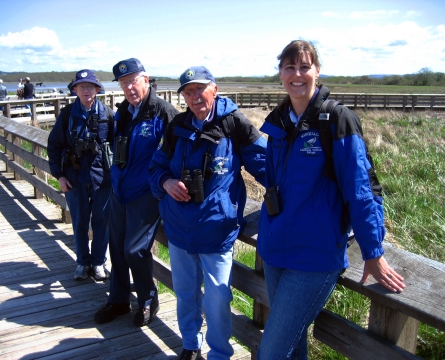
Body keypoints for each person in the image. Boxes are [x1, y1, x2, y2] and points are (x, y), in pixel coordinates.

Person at [256, 40, 406, 360]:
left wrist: (373, 251)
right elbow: (271, 180)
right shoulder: (279, 122)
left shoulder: (336, 120)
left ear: (318, 71)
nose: (297, 74)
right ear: (280, 74)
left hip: (314, 258)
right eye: (289, 67)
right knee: (292, 347)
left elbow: (360, 191)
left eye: (304, 66)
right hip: (274, 251)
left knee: (270, 352)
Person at [149, 66, 267, 360]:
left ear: (215, 89)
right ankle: (190, 344)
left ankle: (218, 354)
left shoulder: (233, 124)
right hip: (179, 229)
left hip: (216, 230)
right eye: (188, 91)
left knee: (217, 299)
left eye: (200, 89)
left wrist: (299, 194)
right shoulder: (177, 126)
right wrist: (166, 181)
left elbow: (269, 167)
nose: (195, 96)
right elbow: (155, 167)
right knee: (186, 293)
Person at [93, 58, 178, 328]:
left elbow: (177, 153)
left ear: (145, 79)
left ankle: (147, 300)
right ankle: (118, 299)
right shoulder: (123, 113)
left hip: (147, 192)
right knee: (115, 246)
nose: (129, 87)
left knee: (135, 249)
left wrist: (165, 183)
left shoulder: (163, 112)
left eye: (133, 80)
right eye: (123, 83)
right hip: (120, 191)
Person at [47, 70, 115, 281]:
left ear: (97, 89)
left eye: (90, 86)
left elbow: (119, 147)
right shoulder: (67, 115)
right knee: (79, 223)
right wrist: (59, 176)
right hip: (74, 179)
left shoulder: (108, 114)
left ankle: (99, 263)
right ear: (75, 90)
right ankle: (82, 262)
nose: (86, 90)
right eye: (81, 86)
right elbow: (54, 146)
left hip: (102, 180)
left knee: (101, 223)